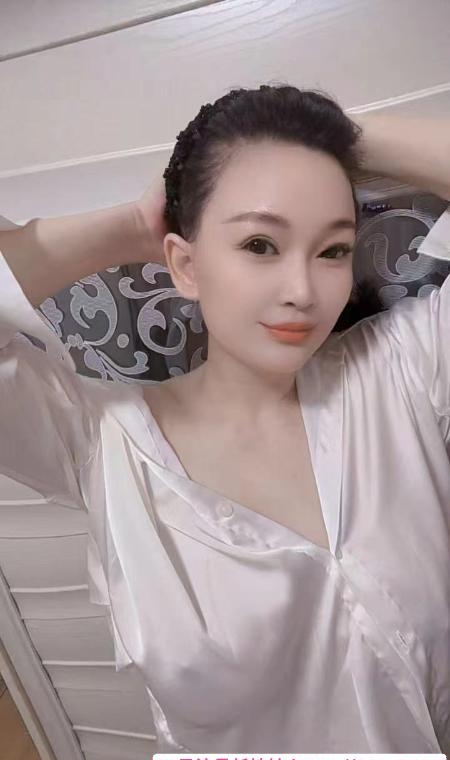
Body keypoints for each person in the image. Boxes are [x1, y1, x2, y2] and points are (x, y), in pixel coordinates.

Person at [0, 85, 449, 753]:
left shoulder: (405, 370)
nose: (302, 291)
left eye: (332, 250)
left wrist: (333, 131)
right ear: (185, 263)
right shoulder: (101, 443)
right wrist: (132, 225)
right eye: (260, 245)